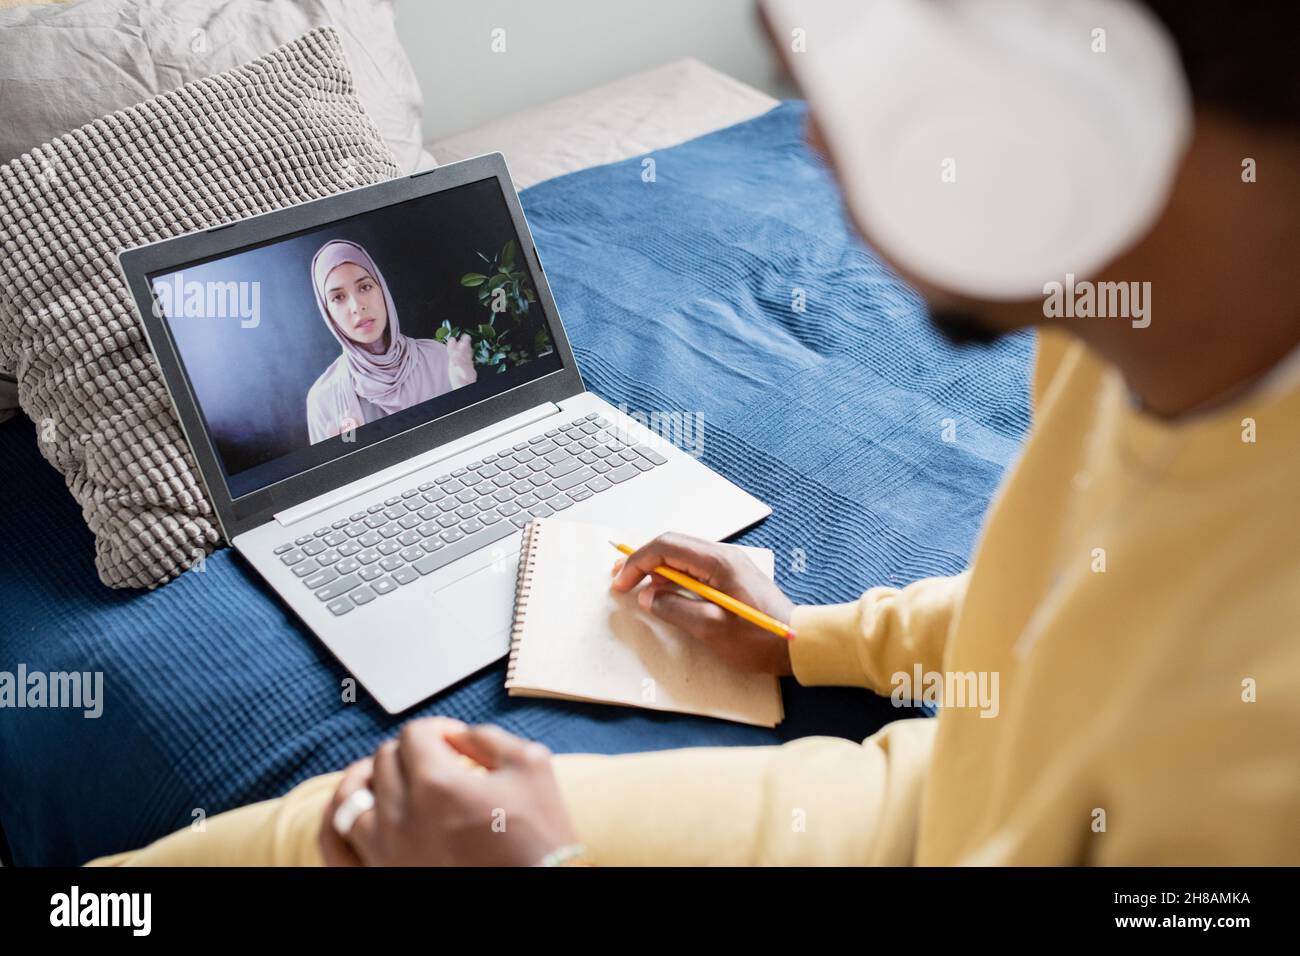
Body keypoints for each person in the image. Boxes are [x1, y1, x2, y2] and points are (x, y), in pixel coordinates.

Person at [91, 0, 1298, 867]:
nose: (812, 135)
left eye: (834, 69)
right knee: (346, 826)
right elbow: (1069, 626)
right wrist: (802, 638)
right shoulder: (1113, 329)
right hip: (954, 792)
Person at [305, 239, 476, 443]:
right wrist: (343, 462)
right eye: (338, 297)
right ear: (327, 312)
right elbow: (334, 475)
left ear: (382, 290)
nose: (357, 306)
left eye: (365, 287)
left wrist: (468, 394)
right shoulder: (323, 399)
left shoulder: (438, 357)